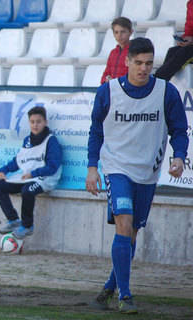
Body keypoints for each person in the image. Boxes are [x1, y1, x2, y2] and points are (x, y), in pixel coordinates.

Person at [87, 37, 188, 314]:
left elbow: (180, 129)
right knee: (124, 222)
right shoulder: (107, 92)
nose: (144, 69)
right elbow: (96, 130)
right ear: (128, 62)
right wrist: (92, 167)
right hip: (117, 167)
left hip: (147, 172)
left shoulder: (166, 92)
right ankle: (126, 295)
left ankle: (110, 286)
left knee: (131, 234)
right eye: (138, 63)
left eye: (148, 64)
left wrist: (179, 156)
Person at [0, 106, 62, 239]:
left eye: (38, 121)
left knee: (27, 190)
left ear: (45, 122)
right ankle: (13, 220)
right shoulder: (27, 140)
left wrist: (34, 174)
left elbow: (53, 167)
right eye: (32, 122)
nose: (35, 125)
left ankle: (27, 226)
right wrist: (2, 171)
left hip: (45, 178)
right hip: (27, 177)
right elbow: (18, 161)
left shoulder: (51, 141)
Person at [156, 0, 193, 80]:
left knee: (184, 52)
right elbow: (189, 29)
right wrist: (185, 39)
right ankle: (161, 82)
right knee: (172, 51)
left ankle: (158, 80)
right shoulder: (191, 4)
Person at [101, 17, 133, 84]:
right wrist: (105, 80)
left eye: (123, 32)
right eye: (116, 32)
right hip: (113, 89)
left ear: (131, 32)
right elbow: (106, 73)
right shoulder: (113, 53)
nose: (119, 35)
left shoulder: (134, 52)